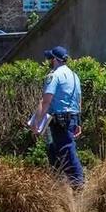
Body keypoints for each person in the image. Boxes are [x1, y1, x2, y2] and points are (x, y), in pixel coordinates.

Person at [29, 45, 84, 187]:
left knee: (66, 152)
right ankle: (59, 186)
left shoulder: (54, 75)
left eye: (49, 58)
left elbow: (46, 100)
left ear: (54, 60)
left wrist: (36, 123)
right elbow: (78, 101)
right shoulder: (74, 75)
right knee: (55, 151)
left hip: (59, 119)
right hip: (71, 117)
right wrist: (78, 122)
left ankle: (78, 186)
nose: (48, 61)